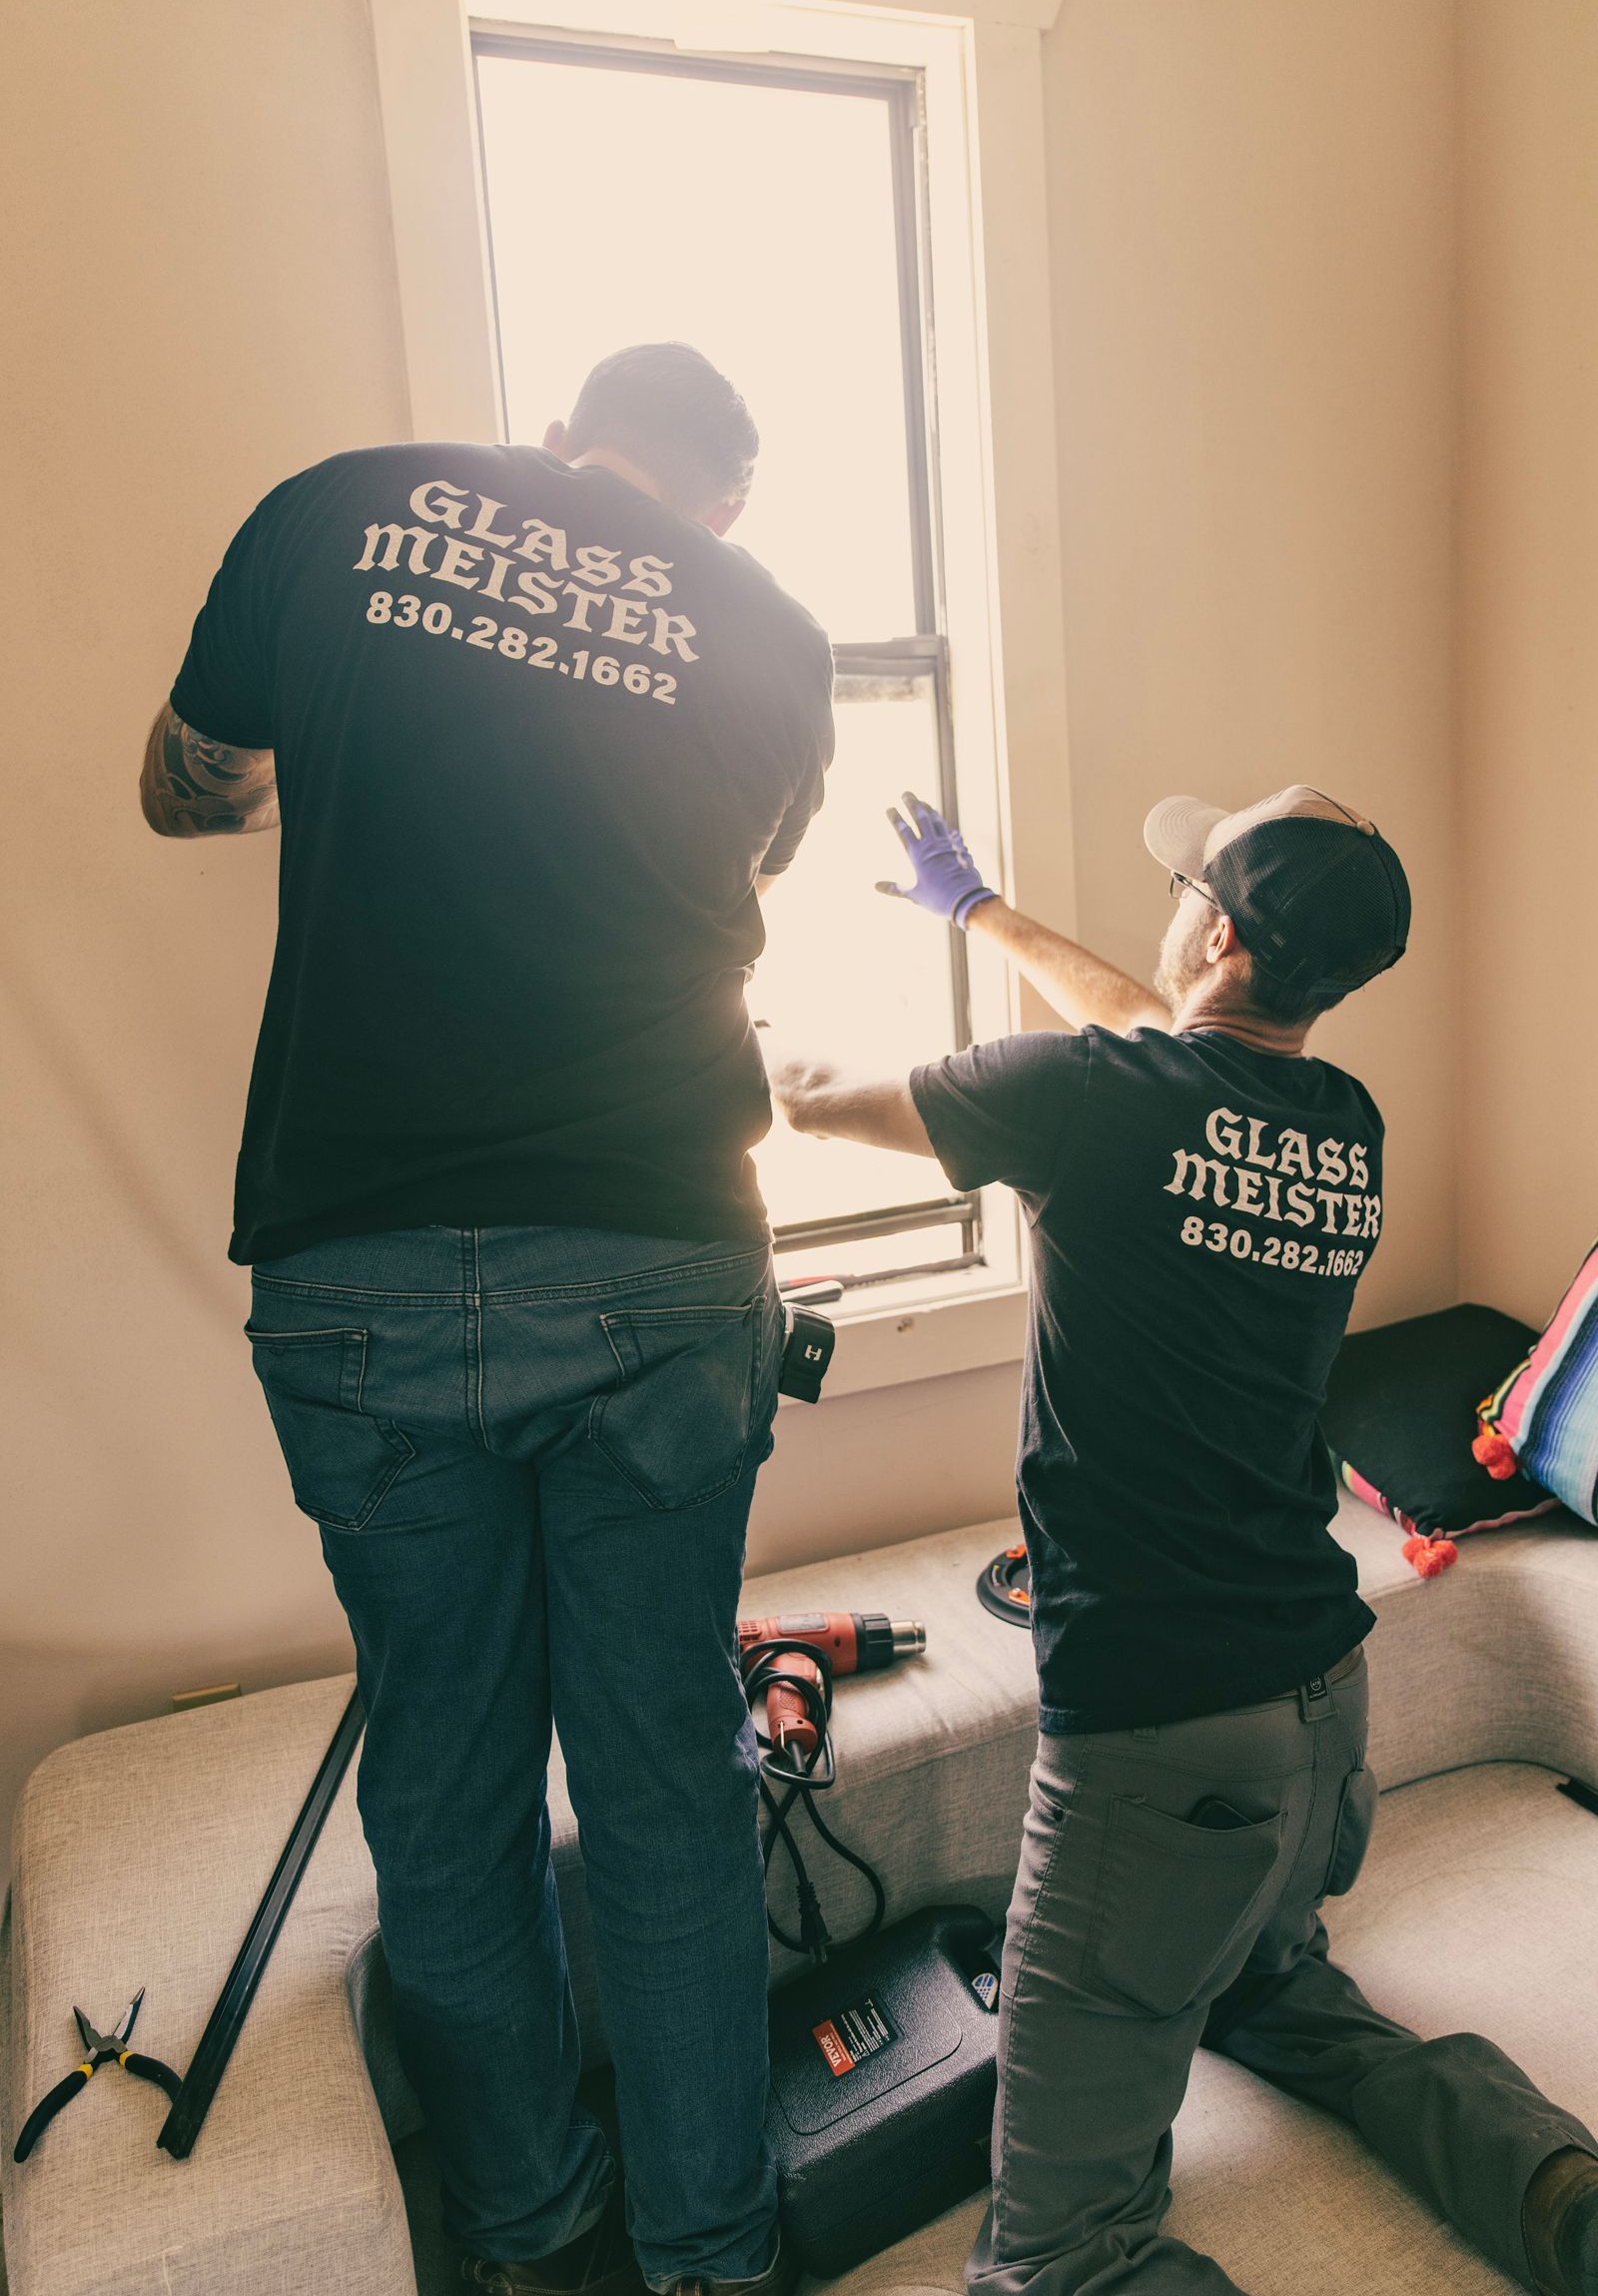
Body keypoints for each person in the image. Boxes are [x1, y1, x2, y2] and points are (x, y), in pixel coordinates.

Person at [140, 344, 835, 2296]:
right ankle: (712, 2255)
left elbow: (183, 787)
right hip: (652, 1253)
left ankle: (528, 2233)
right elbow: (720, 869)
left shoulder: (343, 504)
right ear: (717, 502)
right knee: (662, 1790)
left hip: (360, 1266)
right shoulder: (766, 632)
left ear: (560, 431)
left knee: (444, 1795)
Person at [770, 785, 1598, 2296]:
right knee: (1272, 1989)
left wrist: (716, 997)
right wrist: (975, 911)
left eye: (1186, 893)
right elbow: (1155, 1040)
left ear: (1211, 933)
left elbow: (823, 1093)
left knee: (1055, 2261)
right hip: (1322, 1709)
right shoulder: (1342, 1123)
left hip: (1160, 1744)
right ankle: (1554, 2189)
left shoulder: (1086, 1101)